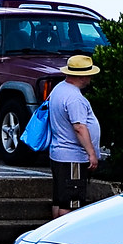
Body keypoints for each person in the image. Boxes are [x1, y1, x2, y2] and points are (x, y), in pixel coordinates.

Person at [47, 54, 101, 219]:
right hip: (73, 157)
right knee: (72, 203)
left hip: (58, 153)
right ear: (83, 76)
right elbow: (79, 127)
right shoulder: (74, 98)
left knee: (60, 200)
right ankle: (65, 240)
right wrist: (91, 153)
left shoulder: (59, 89)